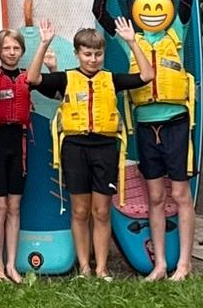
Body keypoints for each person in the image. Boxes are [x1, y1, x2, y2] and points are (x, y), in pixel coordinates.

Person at [94, 0, 198, 281]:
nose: (153, 14)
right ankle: (161, 265)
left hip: (175, 121)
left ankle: (184, 264)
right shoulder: (130, 37)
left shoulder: (176, 33)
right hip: (144, 123)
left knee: (180, 193)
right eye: (146, 9)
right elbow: (99, 11)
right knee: (155, 196)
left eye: (158, 9)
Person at [27, 17, 154, 279]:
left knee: (102, 211)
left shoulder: (111, 79)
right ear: (77, 54)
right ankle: (84, 267)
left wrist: (132, 42)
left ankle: (102, 268)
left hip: (105, 148)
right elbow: (32, 78)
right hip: (75, 148)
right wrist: (44, 43)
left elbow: (147, 75)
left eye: (98, 54)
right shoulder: (66, 78)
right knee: (80, 210)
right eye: (87, 54)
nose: (93, 59)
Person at [0, 29, 33, 283]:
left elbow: (57, 92)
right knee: (0, 206)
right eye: (6, 48)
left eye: (16, 48)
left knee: (14, 206)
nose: (11, 53)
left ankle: (12, 265)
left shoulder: (28, 77)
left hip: (19, 144)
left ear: (22, 51)